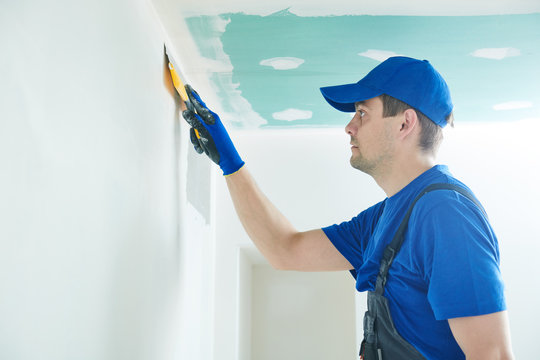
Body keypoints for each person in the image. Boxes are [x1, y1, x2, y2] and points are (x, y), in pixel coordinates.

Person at [181, 56, 514, 359]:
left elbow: (493, 355)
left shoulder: (446, 215)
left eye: (362, 113)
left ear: (404, 124)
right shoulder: (384, 218)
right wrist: (227, 159)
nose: (349, 126)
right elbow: (285, 250)